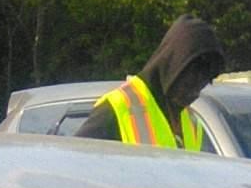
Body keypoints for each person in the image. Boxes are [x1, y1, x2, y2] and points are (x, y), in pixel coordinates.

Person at [80, 16, 226, 150]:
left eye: (202, 85)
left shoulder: (190, 123)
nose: (194, 94)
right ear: (172, 66)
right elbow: (75, 162)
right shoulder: (121, 107)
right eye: (189, 83)